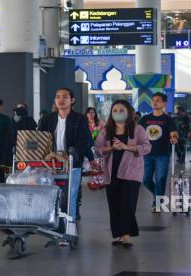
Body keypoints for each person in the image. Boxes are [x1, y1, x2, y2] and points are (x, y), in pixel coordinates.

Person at [95, 100, 151, 248]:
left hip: (131, 172)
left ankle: (127, 236)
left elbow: (147, 147)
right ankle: (120, 235)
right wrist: (110, 148)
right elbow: (97, 148)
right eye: (115, 110)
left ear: (128, 112)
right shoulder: (106, 131)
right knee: (114, 204)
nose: (117, 113)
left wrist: (126, 146)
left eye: (121, 110)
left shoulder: (137, 130)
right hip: (111, 172)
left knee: (127, 204)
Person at [38, 88, 97, 220]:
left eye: (65, 97)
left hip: (72, 163)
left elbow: (84, 140)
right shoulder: (47, 119)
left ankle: (69, 228)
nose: (61, 100)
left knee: (71, 196)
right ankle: (53, 225)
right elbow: (39, 139)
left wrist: (90, 158)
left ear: (72, 100)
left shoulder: (79, 119)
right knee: (51, 196)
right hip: (50, 164)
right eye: (58, 96)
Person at [139, 93, 178, 212]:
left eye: (158, 101)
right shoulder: (145, 119)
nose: (155, 102)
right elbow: (138, 134)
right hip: (147, 154)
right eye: (153, 100)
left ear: (164, 103)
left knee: (160, 178)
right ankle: (159, 197)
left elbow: (173, 133)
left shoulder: (168, 119)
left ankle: (157, 203)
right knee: (146, 180)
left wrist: (174, 138)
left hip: (162, 153)